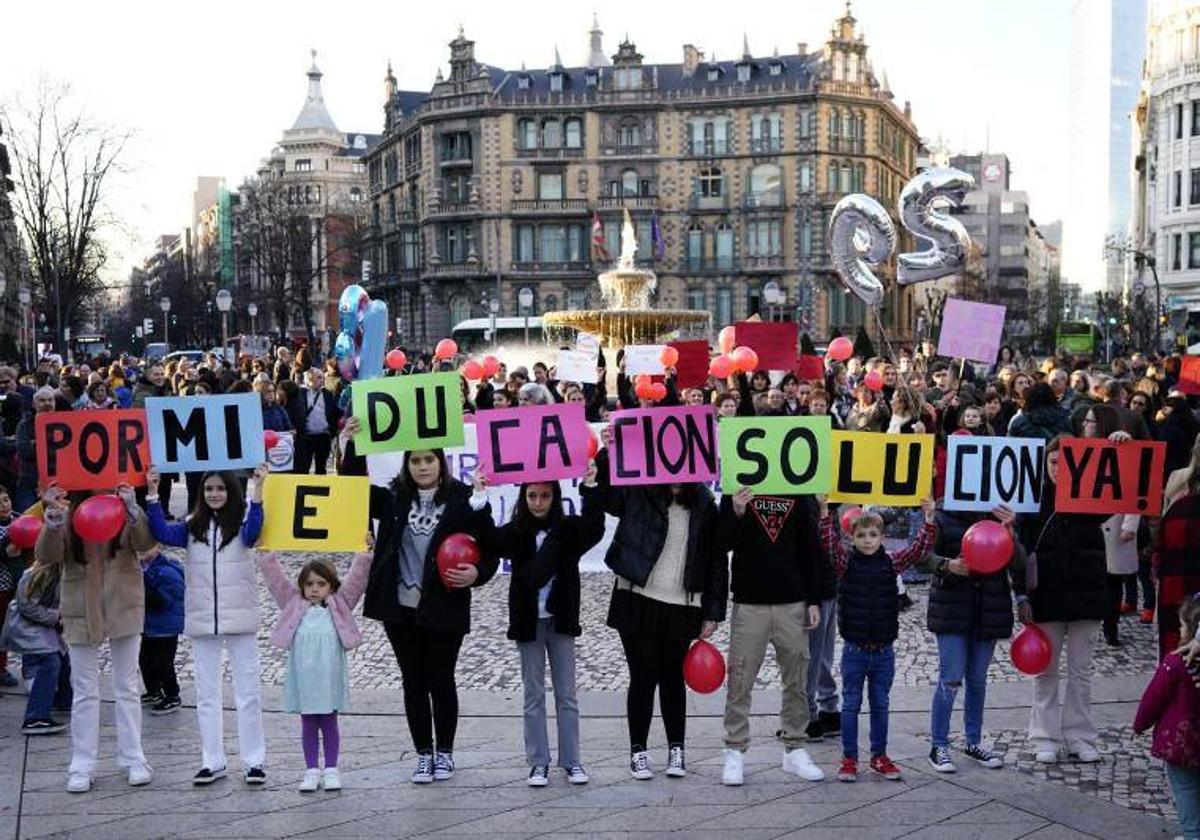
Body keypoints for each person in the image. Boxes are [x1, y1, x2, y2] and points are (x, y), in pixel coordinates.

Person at [359, 445, 498, 785]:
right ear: (407, 464)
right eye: (415, 460)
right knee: (413, 681)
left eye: (429, 459)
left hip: (443, 605)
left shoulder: (464, 497)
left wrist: (476, 573)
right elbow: (352, 490)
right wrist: (348, 444)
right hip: (399, 608)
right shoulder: (394, 497)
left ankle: (445, 753)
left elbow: (491, 548)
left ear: (441, 462)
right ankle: (423, 753)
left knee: (441, 678)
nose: (422, 467)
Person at [595, 444, 726, 781]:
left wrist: (712, 611)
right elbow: (610, 499)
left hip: (682, 605)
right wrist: (608, 453)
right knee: (642, 676)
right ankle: (638, 750)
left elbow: (715, 561)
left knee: (671, 678)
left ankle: (676, 749)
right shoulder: (640, 489)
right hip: (637, 598)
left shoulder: (704, 504)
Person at [145, 464, 270, 786]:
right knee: (207, 694)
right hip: (203, 618)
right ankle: (211, 760)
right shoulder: (190, 527)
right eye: (209, 489)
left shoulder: (242, 523)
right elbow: (160, 531)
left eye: (221, 488)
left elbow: (255, 531)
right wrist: (152, 492)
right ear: (201, 493)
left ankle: (254, 760)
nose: (215, 494)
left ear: (232, 491)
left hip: (239, 617)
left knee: (248, 692)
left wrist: (258, 491)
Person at [37, 483, 156, 793]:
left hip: (124, 604)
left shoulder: (123, 505)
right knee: (85, 690)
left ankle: (133, 758)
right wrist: (52, 519)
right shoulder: (67, 511)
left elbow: (146, 543)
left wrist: (133, 509)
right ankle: (82, 764)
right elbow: (46, 555)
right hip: (80, 607)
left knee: (127, 685)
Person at [490, 469, 604, 787]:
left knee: (567, 694)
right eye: (532, 496)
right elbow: (487, 539)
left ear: (555, 497)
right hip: (528, 621)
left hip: (561, 618)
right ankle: (538, 762)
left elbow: (595, 526)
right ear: (523, 498)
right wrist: (479, 497)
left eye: (545, 495)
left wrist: (591, 486)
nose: (539, 502)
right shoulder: (515, 532)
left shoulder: (567, 530)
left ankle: (572, 761)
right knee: (533, 694)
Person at [817, 497, 937, 782]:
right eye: (861, 535)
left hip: (883, 651)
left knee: (881, 704)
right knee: (850, 705)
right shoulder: (846, 563)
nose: (867, 540)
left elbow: (918, 550)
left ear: (882, 537)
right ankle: (849, 758)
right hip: (855, 650)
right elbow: (829, 546)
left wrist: (929, 520)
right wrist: (824, 513)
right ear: (852, 537)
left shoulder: (891, 562)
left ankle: (879, 756)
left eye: (873, 535)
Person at [718, 487, 826, 786]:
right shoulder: (738, 485)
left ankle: (794, 747)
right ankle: (735, 749)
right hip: (750, 599)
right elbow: (720, 541)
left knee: (797, 678)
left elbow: (809, 547)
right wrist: (736, 512)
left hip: (792, 599)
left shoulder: (798, 485)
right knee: (740, 679)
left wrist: (813, 598)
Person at [1020, 436, 1108, 764]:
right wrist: (1020, 594)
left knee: (1081, 672)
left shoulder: (1092, 495)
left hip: (1087, 593)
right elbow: (1021, 549)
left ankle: (1080, 737)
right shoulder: (1033, 500)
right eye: (1053, 462)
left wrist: (1120, 445)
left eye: (1064, 462)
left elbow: (1122, 488)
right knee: (1046, 671)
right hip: (1047, 595)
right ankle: (1045, 737)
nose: (1058, 468)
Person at [259, 545, 373, 792]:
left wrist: (364, 555)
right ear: (301, 586)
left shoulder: (340, 605)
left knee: (330, 722)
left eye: (321, 584)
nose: (314, 589)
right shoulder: (293, 604)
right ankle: (311, 770)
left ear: (331, 585)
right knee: (308, 722)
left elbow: (356, 581)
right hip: (304, 678)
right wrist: (266, 555)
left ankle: (331, 769)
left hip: (329, 677)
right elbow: (276, 581)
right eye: (309, 584)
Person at [925, 504, 1026, 774]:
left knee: (978, 679)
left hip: (988, 608)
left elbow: (1018, 564)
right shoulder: (943, 514)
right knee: (951, 678)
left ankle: (973, 741)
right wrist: (947, 565)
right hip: (952, 610)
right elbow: (923, 557)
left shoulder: (999, 514)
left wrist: (1011, 533)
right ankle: (939, 745)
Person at [1133, 594, 1200, 839]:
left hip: (1181, 743)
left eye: (1182, 625)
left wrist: (1139, 725)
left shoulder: (1175, 662)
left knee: (1185, 790)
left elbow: (1153, 698)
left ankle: (1193, 834)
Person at [4, 557, 71, 734]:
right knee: (51, 661)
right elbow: (26, 605)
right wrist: (55, 617)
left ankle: (63, 701)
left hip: (41, 626)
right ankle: (35, 717)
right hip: (29, 627)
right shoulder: (37, 574)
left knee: (63, 659)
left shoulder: (56, 572)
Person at [138, 543, 185, 715]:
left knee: (163, 663)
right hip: (150, 625)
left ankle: (172, 695)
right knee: (145, 659)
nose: (141, 550)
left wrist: (143, 584)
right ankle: (154, 691)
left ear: (157, 547)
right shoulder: (142, 568)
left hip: (165, 626)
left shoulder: (167, 570)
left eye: (146, 546)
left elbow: (164, 600)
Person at [289, 369, 340, 475]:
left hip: (323, 436)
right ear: (309, 378)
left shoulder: (328, 394)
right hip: (305, 437)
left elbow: (334, 413)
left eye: (323, 377)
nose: (322, 380)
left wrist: (333, 431)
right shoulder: (299, 393)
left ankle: (320, 490)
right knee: (303, 467)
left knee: (321, 469)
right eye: (319, 377)